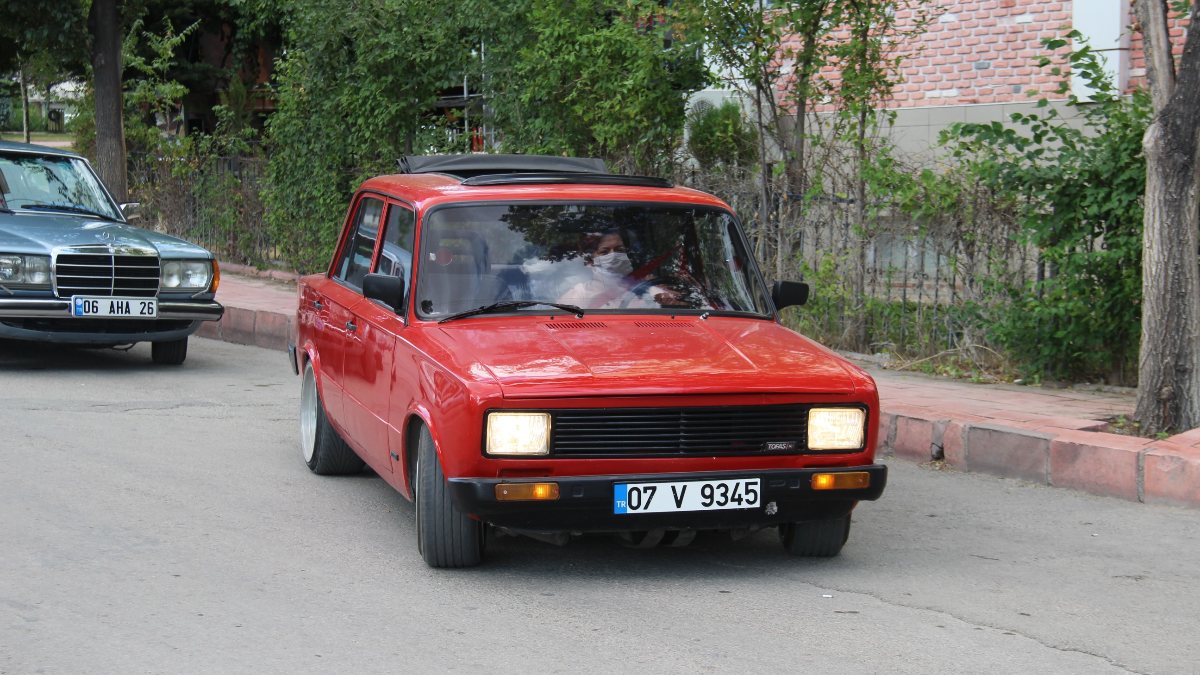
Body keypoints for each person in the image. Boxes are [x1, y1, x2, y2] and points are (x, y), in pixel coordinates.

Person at [558, 231, 682, 309]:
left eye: (620, 250)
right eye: (604, 252)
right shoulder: (578, 296)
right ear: (590, 260)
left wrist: (669, 300)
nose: (614, 256)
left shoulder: (647, 289)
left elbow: (682, 311)